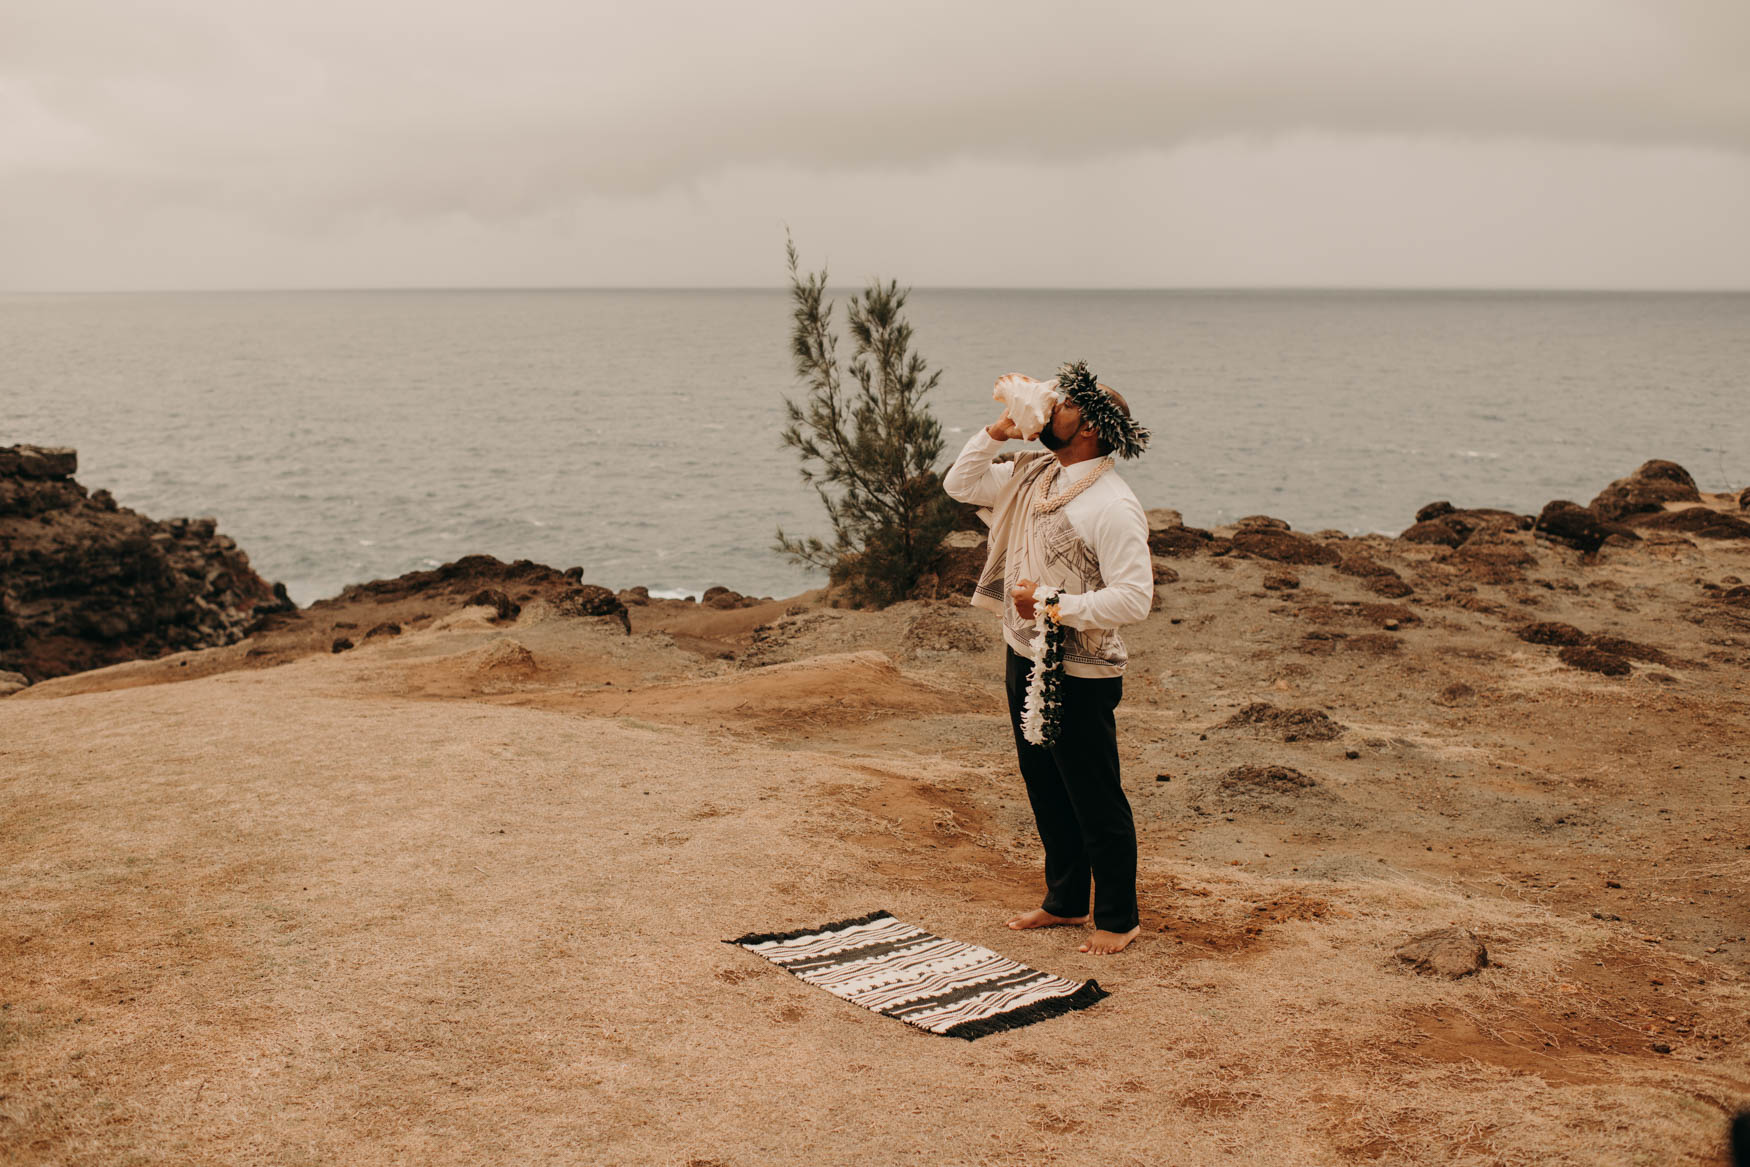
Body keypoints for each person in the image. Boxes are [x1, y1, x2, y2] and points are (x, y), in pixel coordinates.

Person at [943, 361, 1154, 956]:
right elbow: (960, 485)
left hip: (1080, 670)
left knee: (1093, 793)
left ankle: (1118, 918)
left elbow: (1136, 598)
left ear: (1087, 427)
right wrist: (996, 433)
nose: (1051, 404)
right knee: (1045, 784)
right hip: (1023, 649)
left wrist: (1052, 603)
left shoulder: (1113, 505)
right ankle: (1065, 902)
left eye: (1064, 403)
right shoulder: (1036, 471)